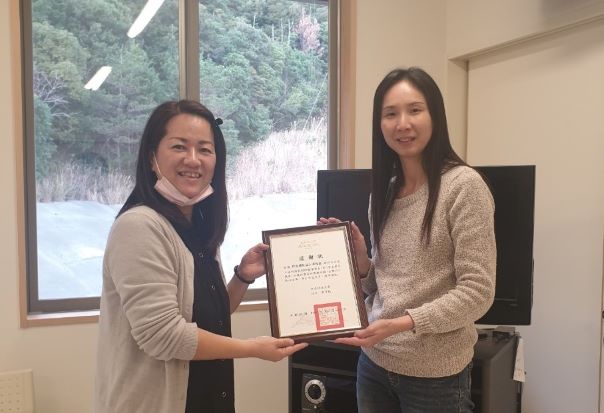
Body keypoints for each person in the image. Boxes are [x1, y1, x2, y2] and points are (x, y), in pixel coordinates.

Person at [94, 100, 307, 413]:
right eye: (179, 146)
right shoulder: (139, 226)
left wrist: (242, 277)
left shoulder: (198, 226)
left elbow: (208, 315)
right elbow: (163, 335)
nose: (193, 159)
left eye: (204, 149)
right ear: (152, 157)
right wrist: (251, 348)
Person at [319, 67, 496, 413]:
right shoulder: (384, 193)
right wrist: (361, 262)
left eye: (415, 110)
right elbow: (382, 285)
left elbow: (478, 292)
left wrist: (401, 324)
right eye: (390, 114)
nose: (403, 124)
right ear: (380, 124)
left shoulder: (464, 186)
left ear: (435, 115)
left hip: (436, 377)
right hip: (373, 364)